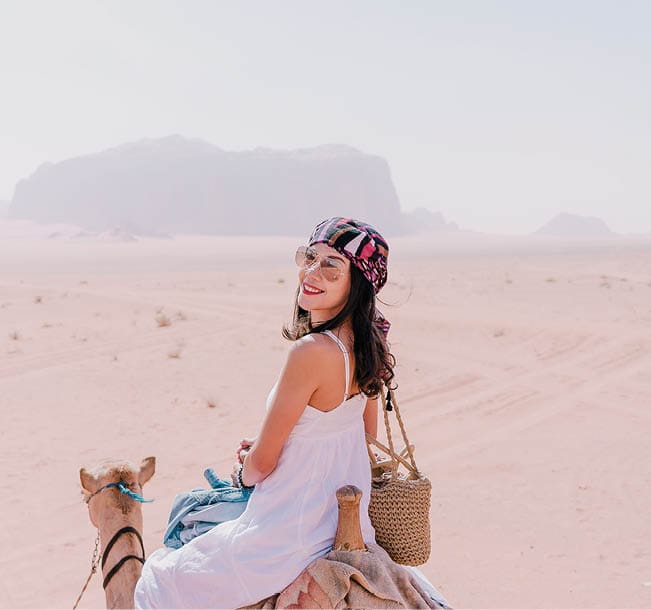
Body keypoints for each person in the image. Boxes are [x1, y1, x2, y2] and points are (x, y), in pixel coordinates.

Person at [134, 216, 396, 608]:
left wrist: (245, 466)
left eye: (331, 266)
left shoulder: (310, 352)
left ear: (356, 283)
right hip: (346, 524)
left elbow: (262, 465)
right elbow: (362, 438)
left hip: (289, 533)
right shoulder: (368, 345)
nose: (312, 271)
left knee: (157, 583)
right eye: (310, 257)